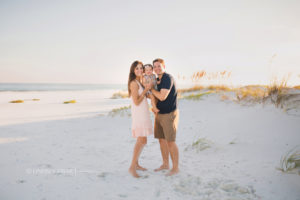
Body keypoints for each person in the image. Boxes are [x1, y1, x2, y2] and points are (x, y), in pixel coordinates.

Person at [149, 58, 180, 176]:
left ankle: (175, 168)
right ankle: (165, 164)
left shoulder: (167, 78)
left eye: (159, 66)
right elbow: (154, 96)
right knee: (161, 140)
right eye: (155, 67)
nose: (157, 68)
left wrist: (151, 89)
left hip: (169, 114)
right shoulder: (157, 80)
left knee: (170, 142)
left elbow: (162, 96)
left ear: (164, 66)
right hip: (159, 114)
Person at [127, 60, 153, 178]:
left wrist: (148, 90)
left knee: (143, 140)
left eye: (141, 68)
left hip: (144, 112)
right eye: (137, 68)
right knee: (141, 140)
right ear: (133, 70)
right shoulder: (134, 83)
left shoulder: (140, 81)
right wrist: (146, 90)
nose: (139, 70)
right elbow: (136, 102)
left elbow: (143, 97)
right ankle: (132, 167)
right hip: (139, 113)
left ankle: (136, 164)